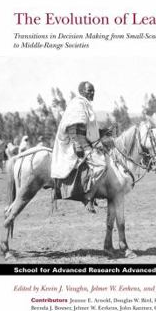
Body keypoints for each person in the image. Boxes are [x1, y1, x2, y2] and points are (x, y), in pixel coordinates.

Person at [51, 81, 108, 213]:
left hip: (84, 141)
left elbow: (89, 131)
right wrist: (79, 145)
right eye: (89, 90)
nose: (92, 93)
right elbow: (73, 127)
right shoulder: (79, 104)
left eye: (93, 90)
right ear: (82, 91)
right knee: (101, 165)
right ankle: (89, 197)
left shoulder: (85, 105)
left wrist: (104, 132)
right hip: (77, 142)